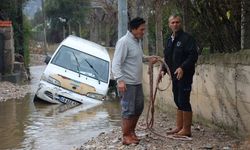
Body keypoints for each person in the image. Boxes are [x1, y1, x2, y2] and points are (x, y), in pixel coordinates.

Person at [112, 17, 158, 145]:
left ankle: (131, 132)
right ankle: (126, 136)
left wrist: (148, 58)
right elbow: (116, 63)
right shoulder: (124, 42)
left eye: (144, 29)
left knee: (138, 108)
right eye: (141, 29)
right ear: (133, 29)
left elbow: (139, 57)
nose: (143, 32)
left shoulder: (136, 41)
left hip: (136, 82)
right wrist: (120, 80)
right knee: (129, 110)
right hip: (127, 83)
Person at [160, 14, 198, 137]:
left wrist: (183, 67)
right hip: (174, 76)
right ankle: (179, 126)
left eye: (177, 22)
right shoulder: (169, 40)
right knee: (177, 99)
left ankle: (186, 130)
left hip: (185, 75)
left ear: (180, 23)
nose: (175, 24)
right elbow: (167, 58)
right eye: (173, 22)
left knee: (184, 100)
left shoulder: (187, 39)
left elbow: (193, 56)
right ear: (169, 24)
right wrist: (163, 70)